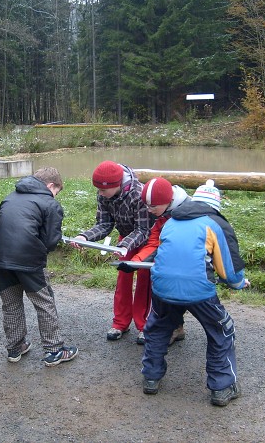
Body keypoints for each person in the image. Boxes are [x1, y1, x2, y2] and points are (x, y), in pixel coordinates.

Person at [141, 179, 250, 407]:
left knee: (158, 327)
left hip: (162, 287)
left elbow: (166, 254)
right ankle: (222, 387)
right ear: (215, 205)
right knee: (222, 331)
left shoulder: (170, 221)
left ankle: (151, 377)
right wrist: (239, 284)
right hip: (199, 290)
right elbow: (228, 269)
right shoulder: (215, 224)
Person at [0, 167, 78, 367]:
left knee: (11, 303)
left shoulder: (10, 197)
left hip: (0, 258)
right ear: (50, 186)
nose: (56, 195)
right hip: (28, 259)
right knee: (44, 302)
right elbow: (51, 240)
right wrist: (40, 254)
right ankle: (54, 350)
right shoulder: (49, 203)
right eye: (57, 191)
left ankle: (15, 347)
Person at [71, 161, 151, 344]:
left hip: (146, 240)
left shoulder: (138, 194)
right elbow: (104, 224)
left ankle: (144, 325)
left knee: (144, 280)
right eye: (97, 190)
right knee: (123, 277)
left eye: (102, 190)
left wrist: (126, 245)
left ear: (116, 185)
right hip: (125, 239)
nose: (99, 194)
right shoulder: (104, 194)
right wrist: (84, 237)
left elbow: (143, 230)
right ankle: (120, 323)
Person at [117, 177, 190, 345]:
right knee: (167, 293)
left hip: (192, 265)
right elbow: (153, 243)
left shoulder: (186, 212)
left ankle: (220, 333)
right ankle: (176, 327)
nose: (149, 210)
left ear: (168, 201)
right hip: (173, 264)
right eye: (147, 205)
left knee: (198, 303)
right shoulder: (163, 214)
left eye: (152, 206)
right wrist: (134, 262)